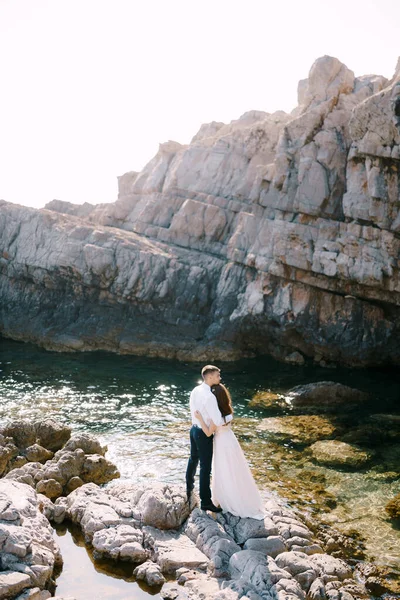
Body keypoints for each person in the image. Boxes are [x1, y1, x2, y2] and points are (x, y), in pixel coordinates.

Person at [195, 383, 265, 520]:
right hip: (231, 441)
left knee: (224, 470)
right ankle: (239, 495)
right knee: (236, 469)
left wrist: (200, 419)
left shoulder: (216, 415)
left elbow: (209, 433)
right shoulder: (228, 411)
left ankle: (226, 498)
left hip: (221, 443)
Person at [185, 365, 232, 512]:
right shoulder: (210, 397)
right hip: (203, 434)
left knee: (193, 459)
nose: (220, 378)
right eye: (218, 375)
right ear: (210, 377)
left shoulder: (195, 390)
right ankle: (205, 501)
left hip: (193, 429)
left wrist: (199, 419)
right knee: (205, 467)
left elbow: (192, 409)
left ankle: (189, 487)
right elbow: (217, 421)